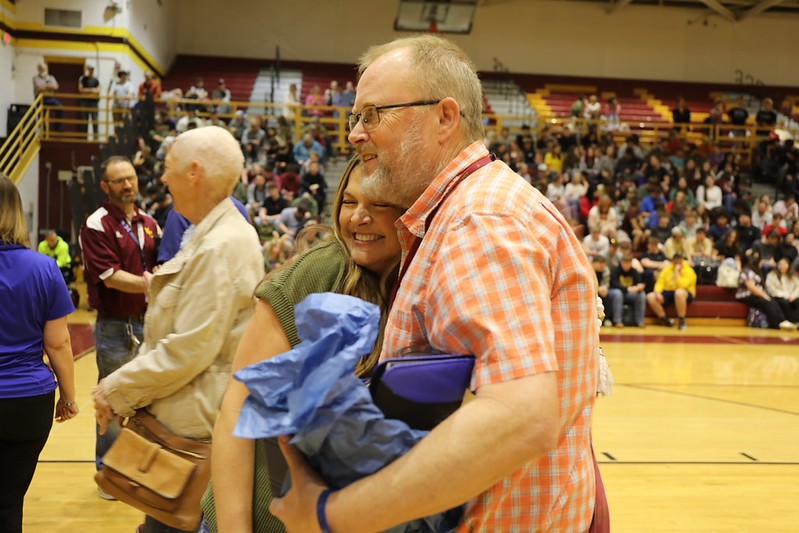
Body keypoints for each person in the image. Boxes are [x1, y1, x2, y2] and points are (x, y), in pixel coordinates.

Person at [270, 34, 603, 532]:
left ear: (445, 117)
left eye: (372, 115)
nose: (355, 134)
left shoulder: (478, 220)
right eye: (353, 117)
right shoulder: (466, 212)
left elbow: (520, 415)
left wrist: (331, 516)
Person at [208, 157, 404, 532]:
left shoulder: (422, 275)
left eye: (379, 204)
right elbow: (236, 406)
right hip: (266, 520)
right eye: (349, 202)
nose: (358, 218)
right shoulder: (316, 272)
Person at [92, 126, 264, 533]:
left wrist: (113, 389)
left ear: (194, 172)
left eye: (169, 169)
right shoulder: (205, 235)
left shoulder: (219, 246)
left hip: (193, 437)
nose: (162, 178)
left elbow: (187, 350)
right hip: (183, 426)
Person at [0, 174, 79, 532]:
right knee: (9, 500)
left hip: (23, 395)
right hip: (27, 400)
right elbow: (58, 343)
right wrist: (69, 397)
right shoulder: (43, 268)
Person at [78, 156, 161, 491]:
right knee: (111, 398)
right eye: (119, 181)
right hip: (114, 326)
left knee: (148, 400)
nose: (127, 185)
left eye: (131, 178)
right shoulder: (96, 224)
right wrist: (150, 283)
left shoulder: (150, 222)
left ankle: (139, 471)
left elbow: (161, 265)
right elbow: (109, 277)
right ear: (105, 187)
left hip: (148, 322)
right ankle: (108, 475)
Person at [737, 253, 797, 330]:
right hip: (746, 295)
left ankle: (783, 321)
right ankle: (776, 324)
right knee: (767, 302)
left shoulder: (757, 271)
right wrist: (764, 295)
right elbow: (752, 287)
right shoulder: (747, 271)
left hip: (757, 294)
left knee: (773, 301)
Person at [646, 253, 697, 330]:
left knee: (679, 293)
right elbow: (660, 282)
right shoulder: (667, 269)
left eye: (679, 263)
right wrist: (658, 293)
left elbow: (682, 285)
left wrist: (677, 273)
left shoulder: (689, 271)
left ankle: (682, 320)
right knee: (651, 296)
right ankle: (665, 319)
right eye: (675, 263)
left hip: (685, 292)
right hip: (669, 292)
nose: (677, 265)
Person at [609, 253, 646, 328]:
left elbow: (639, 283)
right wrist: (627, 289)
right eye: (625, 263)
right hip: (615, 292)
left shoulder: (634, 271)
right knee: (618, 293)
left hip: (629, 294)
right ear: (621, 262)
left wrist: (639, 287)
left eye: (629, 263)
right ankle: (617, 321)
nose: (627, 265)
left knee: (641, 294)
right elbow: (614, 284)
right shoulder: (615, 270)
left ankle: (640, 321)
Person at [765, 257, 799, 325]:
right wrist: (786, 295)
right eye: (781, 264)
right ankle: (791, 321)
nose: (782, 266)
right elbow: (771, 289)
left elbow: (797, 287)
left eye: (784, 264)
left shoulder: (792, 276)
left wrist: (793, 295)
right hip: (778, 296)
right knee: (784, 303)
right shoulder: (772, 275)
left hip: (792, 296)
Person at [32, 63, 63, 131]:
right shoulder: (35, 78)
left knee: (60, 108)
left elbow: (56, 86)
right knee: (41, 116)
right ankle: (44, 130)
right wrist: (49, 86)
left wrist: (45, 86)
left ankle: (56, 127)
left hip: (49, 98)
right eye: (41, 69)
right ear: (38, 69)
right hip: (39, 98)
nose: (43, 70)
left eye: (44, 68)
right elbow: (39, 88)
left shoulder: (51, 77)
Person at [78, 64, 101, 139]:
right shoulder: (83, 79)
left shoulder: (96, 80)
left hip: (94, 102)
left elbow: (98, 90)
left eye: (92, 69)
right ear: (88, 70)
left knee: (95, 120)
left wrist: (87, 91)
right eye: (90, 69)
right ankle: (84, 137)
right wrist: (92, 90)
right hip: (85, 102)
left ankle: (96, 138)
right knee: (85, 120)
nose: (91, 71)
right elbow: (81, 90)